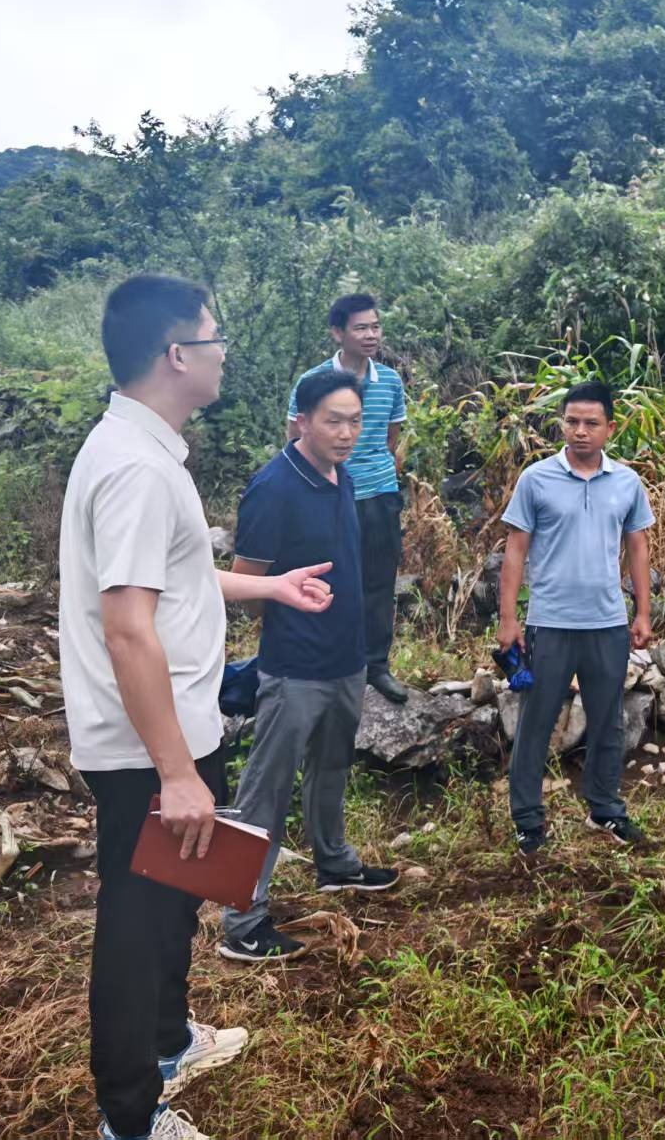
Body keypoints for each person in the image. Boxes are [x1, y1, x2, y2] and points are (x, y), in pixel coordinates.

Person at [60, 274, 337, 1140]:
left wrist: (270, 586)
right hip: (149, 747)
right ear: (177, 354)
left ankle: (171, 1040)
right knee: (137, 923)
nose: (225, 353)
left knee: (175, 900)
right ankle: (130, 1118)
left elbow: (173, 579)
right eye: (216, 338)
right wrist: (176, 772)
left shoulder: (146, 452)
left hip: (176, 730)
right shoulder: (135, 468)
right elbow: (128, 628)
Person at [220, 368, 401, 962]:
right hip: (295, 667)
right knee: (265, 789)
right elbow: (244, 585)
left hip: (346, 658)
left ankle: (335, 863)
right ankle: (242, 920)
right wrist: (288, 605)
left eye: (355, 421)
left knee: (331, 769)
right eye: (333, 422)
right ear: (300, 421)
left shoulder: (341, 474)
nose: (346, 433)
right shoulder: (274, 487)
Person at [497, 380, 654, 854]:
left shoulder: (626, 483)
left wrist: (642, 611)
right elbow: (515, 550)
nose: (580, 431)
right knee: (536, 722)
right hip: (550, 622)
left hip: (607, 623)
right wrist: (508, 617)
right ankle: (528, 819)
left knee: (608, 721)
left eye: (591, 423)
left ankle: (605, 809)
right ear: (561, 424)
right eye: (571, 421)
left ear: (610, 428)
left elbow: (638, 548)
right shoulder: (536, 480)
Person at [288, 292, 410, 702]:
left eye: (375, 326)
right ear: (338, 333)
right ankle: (333, 661)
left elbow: (390, 440)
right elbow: (296, 440)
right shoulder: (313, 383)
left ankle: (377, 666)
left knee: (379, 582)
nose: (372, 334)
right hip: (327, 495)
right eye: (361, 328)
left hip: (378, 493)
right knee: (329, 579)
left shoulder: (389, 381)